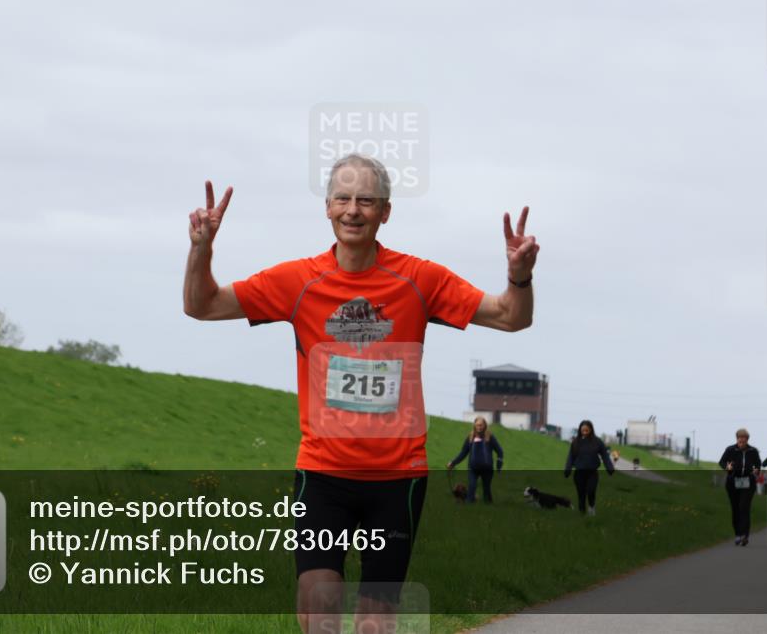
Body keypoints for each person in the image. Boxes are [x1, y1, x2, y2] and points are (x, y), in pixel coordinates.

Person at [183, 154, 539, 634]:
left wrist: (519, 276)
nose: (353, 210)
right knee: (318, 606)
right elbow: (202, 305)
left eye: (367, 200)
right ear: (328, 207)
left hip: (396, 479)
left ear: (385, 212)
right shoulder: (297, 281)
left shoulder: (420, 279)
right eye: (343, 199)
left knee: (375, 621)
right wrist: (201, 249)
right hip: (323, 475)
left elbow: (512, 317)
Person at [718, 428, 762, 546]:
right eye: (740, 438)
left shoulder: (753, 451)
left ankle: (744, 535)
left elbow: (758, 464)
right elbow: (721, 462)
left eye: (744, 438)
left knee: (744, 507)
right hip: (733, 482)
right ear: (737, 439)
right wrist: (727, 467)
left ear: (747, 439)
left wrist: (756, 470)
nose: (742, 440)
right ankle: (737, 534)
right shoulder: (730, 449)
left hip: (748, 482)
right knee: (736, 508)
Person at [447, 416, 504, 504]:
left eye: (481, 425)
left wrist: (499, 465)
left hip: (487, 469)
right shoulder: (470, 437)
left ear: (485, 425)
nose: (479, 427)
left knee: (486, 491)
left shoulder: (490, 437)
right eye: (477, 425)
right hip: (473, 468)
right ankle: (468, 505)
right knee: (471, 487)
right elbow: (463, 453)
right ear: (474, 426)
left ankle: (488, 506)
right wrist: (453, 463)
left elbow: (500, 451)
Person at [564, 420, 615, 515]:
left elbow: (605, 455)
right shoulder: (576, 442)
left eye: (586, 430)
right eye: (583, 430)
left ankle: (591, 507)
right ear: (580, 430)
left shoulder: (597, 442)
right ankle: (582, 514)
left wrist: (610, 468)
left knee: (591, 491)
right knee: (581, 494)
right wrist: (567, 470)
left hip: (592, 473)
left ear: (591, 430)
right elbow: (570, 457)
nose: (584, 432)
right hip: (579, 473)